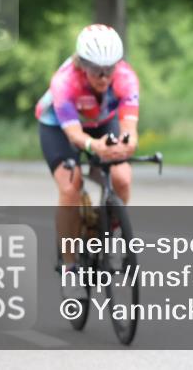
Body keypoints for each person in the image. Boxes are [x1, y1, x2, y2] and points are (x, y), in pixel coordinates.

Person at [35, 24, 140, 297]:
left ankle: (103, 231)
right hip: (57, 128)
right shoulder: (65, 81)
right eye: (97, 70)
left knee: (122, 178)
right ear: (82, 65)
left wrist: (124, 146)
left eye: (110, 69)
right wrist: (95, 147)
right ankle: (70, 264)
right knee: (71, 186)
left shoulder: (126, 77)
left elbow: (129, 127)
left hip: (102, 123)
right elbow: (74, 134)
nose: (104, 77)